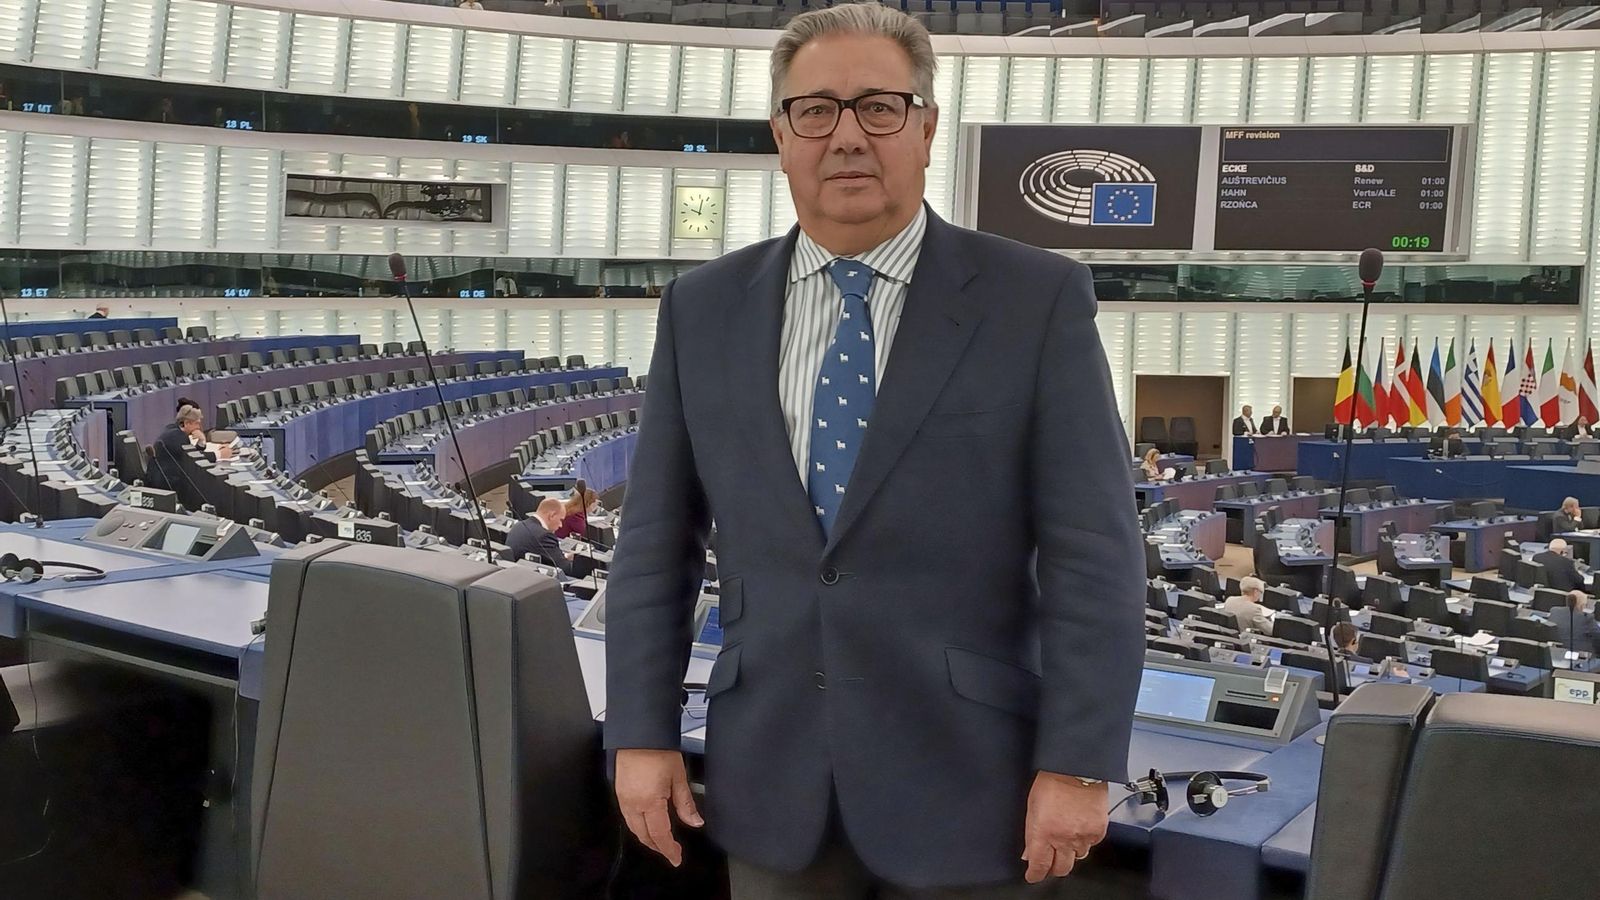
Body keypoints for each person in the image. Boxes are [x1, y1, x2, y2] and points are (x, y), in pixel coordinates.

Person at [604, 6, 1144, 896]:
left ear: (927, 126)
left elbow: (1094, 552)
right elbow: (656, 547)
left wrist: (1081, 762)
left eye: (879, 107)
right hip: (772, 779)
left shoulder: (1035, 299)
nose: (846, 135)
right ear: (780, 135)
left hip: (975, 786)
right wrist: (642, 731)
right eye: (814, 110)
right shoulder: (701, 308)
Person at [147, 405, 230, 496]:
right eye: (197, 423)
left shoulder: (173, 430)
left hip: (167, 478)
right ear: (187, 423)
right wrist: (219, 454)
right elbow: (193, 459)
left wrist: (201, 441)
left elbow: (190, 453)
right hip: (167, 484)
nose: (199, 427)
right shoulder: (176, 436)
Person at [504, 498, 574, 575]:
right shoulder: (544, 536)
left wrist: (565, 556)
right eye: (561, 520)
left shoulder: (518, 526)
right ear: (552, 515)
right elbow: (565, 569)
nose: (561, 525)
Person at [1547, 590, 1600, 657]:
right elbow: (1598, 639)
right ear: (1582, 606)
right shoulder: (1587, 618)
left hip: (1555, 654)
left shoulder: (1554, 611)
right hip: (1581, 657)